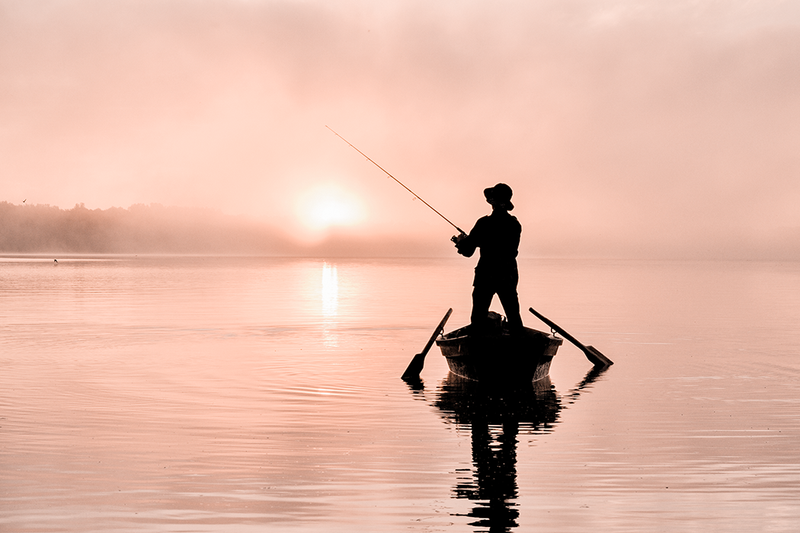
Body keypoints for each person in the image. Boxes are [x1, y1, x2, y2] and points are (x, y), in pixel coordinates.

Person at [451, 183, 523, 334]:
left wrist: (460, 242)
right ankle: (519, 349)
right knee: (514, 318)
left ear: (493, 201)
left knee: (478, 319)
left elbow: (467, 251)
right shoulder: (515, 225)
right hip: (508, 275)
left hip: (486, 275)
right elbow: (510, 250)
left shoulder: (484, 223)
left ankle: (478, 351)